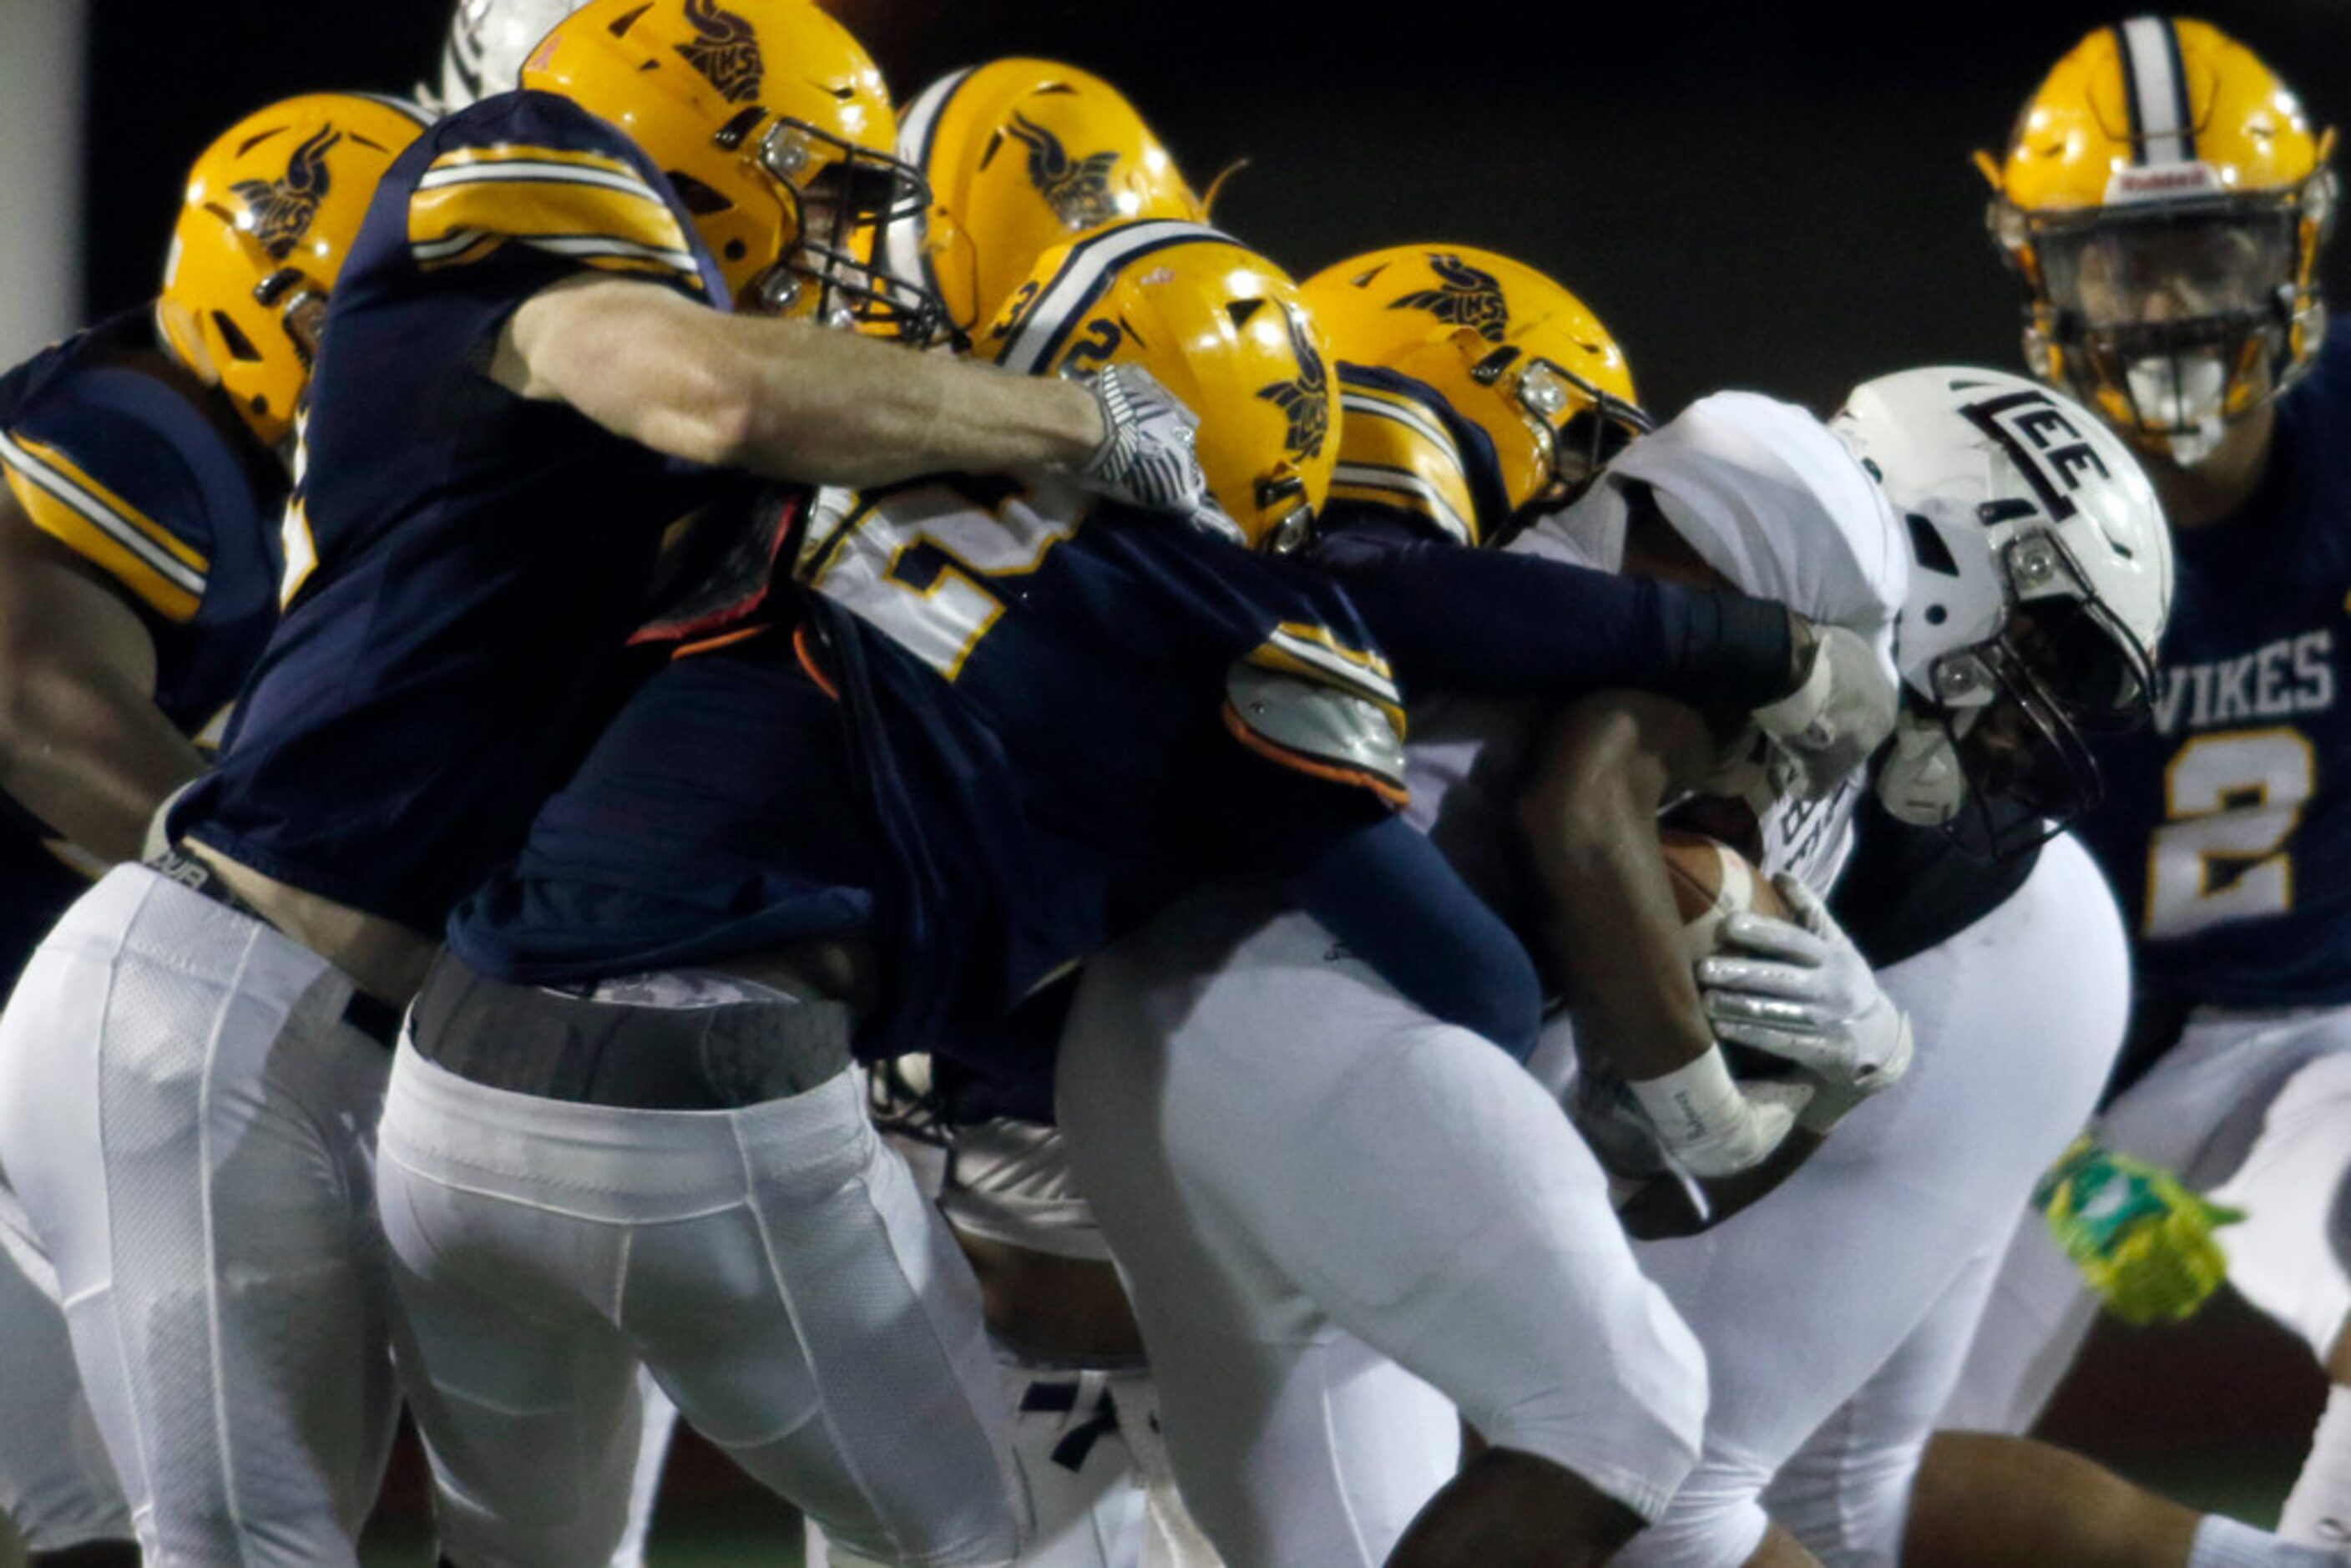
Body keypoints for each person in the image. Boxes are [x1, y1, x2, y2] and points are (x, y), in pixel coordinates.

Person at [0, 1, 1211, 1560]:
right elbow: (712, 393)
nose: (846, 239)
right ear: (688, 145)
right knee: (243, 1547)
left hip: (454, 1050)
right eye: (819, 180)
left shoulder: (659, 353)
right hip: (223, 1000)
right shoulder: (522, 178)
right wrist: (1078, 417)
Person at [1914, 18, 2351, 1565]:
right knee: (1845, 1473)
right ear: (2045, 278)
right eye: (2124, 262)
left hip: (2324, 1017)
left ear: (2296, 244)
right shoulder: (1984, 509)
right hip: (2059, 1057)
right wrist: (2075, 1150)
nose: (2166, 308)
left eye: (2209, 248)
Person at [0, 89, 416, 1567]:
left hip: (50, 1053)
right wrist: (305, 917)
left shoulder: (241, 465)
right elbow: (32, 698)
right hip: (38, 1050)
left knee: (114, 1524)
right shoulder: (139, 427)